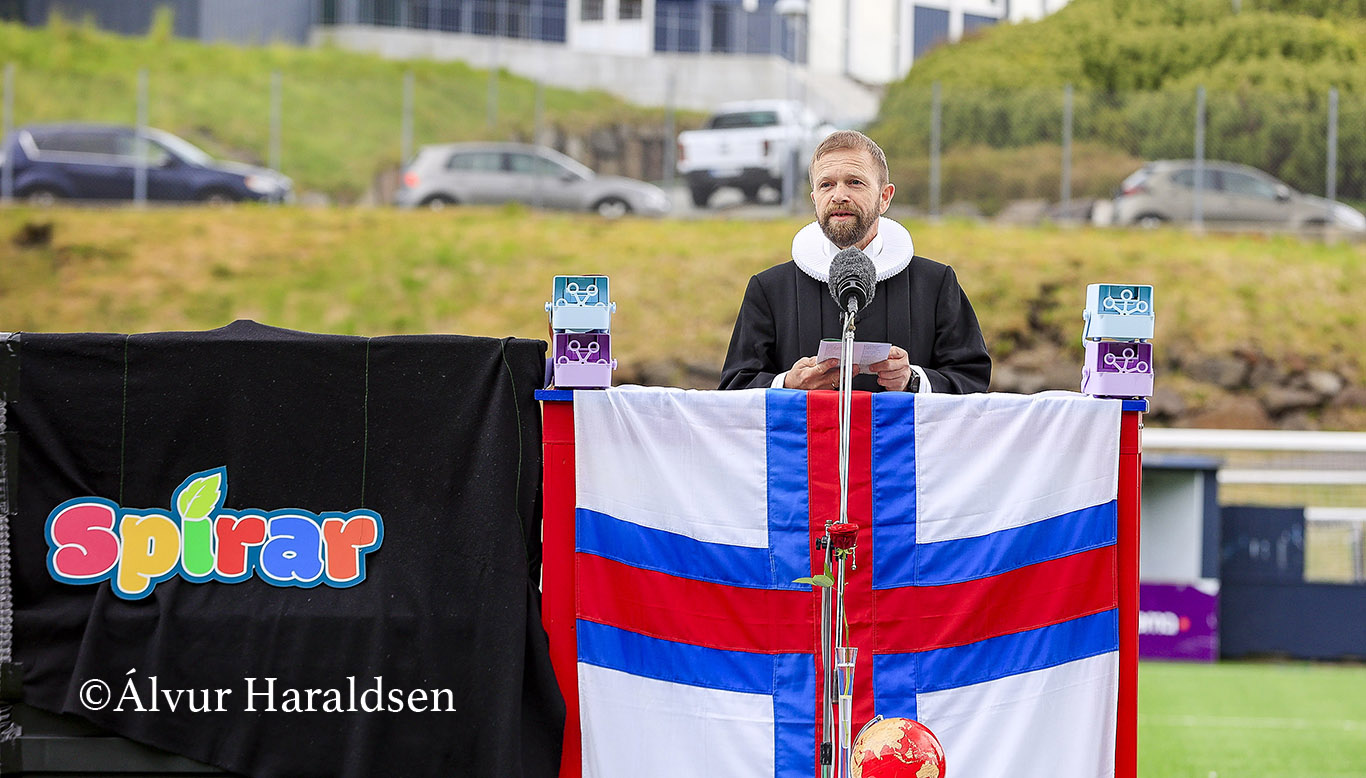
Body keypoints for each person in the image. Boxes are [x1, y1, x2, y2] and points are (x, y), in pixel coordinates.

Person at [718, 130, 991, 393]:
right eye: (826, 185)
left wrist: (913, 380)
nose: (838, 196)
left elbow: (971, 380)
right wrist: (788, 385)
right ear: (815, 199)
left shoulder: (935, 284)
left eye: (854, 182)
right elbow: (734, 388)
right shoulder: (770, 290)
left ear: (884, 197)